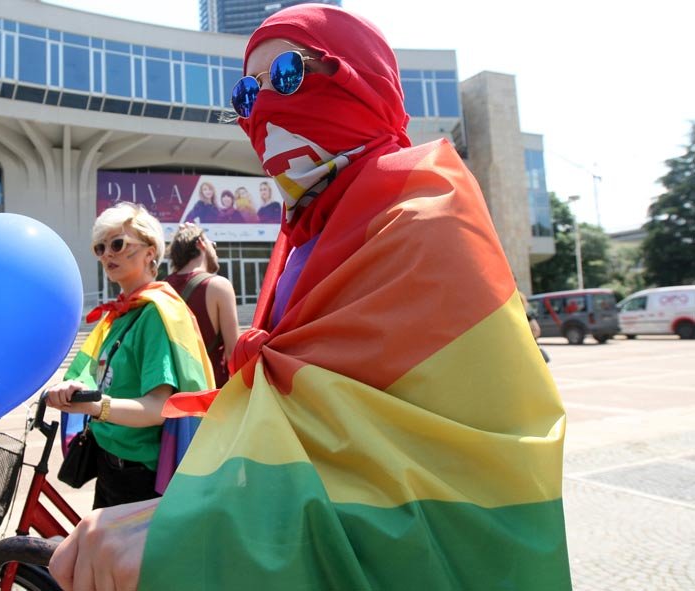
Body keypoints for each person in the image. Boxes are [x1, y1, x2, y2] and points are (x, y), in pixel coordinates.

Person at [49, 6, 571, 591]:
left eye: (290, 74)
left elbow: (448, 462)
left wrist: (207, 529)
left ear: (359, 77)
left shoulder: (426, 216)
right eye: (248, 94)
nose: (265, 106)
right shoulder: (299, 238)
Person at [44, 202, 214, 509]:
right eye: (100, 247)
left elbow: (159, 408)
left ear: (150, 252)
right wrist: (75, 391)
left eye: (118, 244)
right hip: (108, 462)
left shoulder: (156, 314)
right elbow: (96, 374)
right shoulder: (120, 313)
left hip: (138, 476)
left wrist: (97, 406)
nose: (107, 254)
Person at [165, 223, 240, 387]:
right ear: (201, 243)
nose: (215, 251)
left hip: (172, 399)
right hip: (211, 397)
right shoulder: (218, 286)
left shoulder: (161, 288)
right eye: (213, 245)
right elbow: (233, 354)